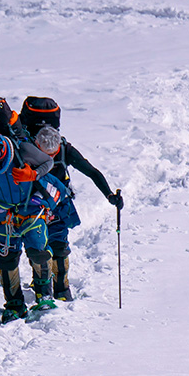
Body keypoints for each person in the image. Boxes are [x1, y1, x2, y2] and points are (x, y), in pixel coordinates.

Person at [20, 99, 124, 301]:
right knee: (43, 246)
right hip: (45, 205)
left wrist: (110, 195)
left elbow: (92, 172)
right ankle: (52, 288)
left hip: (48, 205)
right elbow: (91, 171)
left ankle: (58, 289)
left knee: (52, 246)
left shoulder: (41, 149)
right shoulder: (55, 150)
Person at [0, 131, 66, 323]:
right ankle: (14, 304)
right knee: (7, 259)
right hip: (2, 213)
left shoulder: (21, 150)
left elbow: (48, 162)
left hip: (31, 207)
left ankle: (44, 296)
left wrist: (33, 174)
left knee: (39, 251)